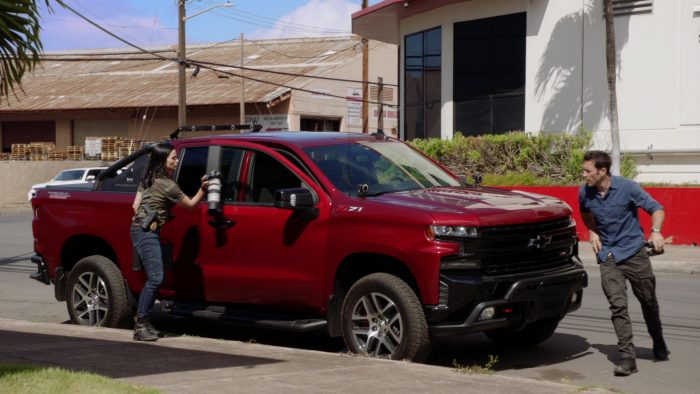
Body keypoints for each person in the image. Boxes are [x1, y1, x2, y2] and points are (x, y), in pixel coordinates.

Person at [578, 150, 669, 376]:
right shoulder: (585, 193)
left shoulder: (627, 187)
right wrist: (592, 231)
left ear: (603, 170)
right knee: (618, 306)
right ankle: (628, 358)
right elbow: (584, 212)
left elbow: (656, 208)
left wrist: (656, 232)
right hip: (608, 255)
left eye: (587, 171)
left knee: (648, 300)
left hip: (634, 252)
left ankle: (658, 339)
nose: (584, 174)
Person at [130, 142, 208, 341]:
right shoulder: (168, 185)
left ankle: (145, 323)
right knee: (156, 277)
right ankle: (140, 325)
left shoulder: (148, 178)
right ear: (162, 161)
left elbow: (135, 205)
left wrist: (155, 213)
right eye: (173, 158)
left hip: (140, 228)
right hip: (147, 232)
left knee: (155, 277)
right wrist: (203, 188)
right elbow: (190, 205)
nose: (176, 160)